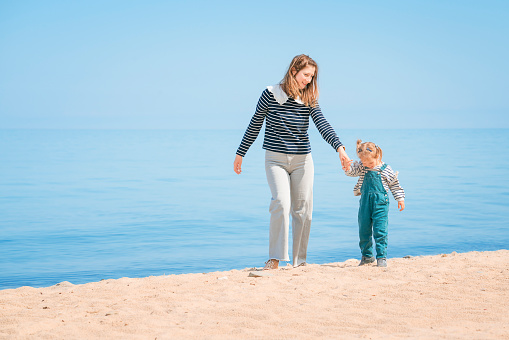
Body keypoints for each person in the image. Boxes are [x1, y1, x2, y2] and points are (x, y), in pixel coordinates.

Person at [234, 54, 350, 270]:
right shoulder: (270, 93)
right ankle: (274, 258)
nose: (308, 80)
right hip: (275, 159)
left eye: (312, 77)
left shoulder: (309, 97)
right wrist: (241, 153)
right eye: (306, 75)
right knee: (280, 202)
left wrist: (340, 148)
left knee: (302, 209)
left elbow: (322, 123)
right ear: (293, 70)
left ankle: (300, 261)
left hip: (302, 161)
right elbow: (255, 123)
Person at [344, 139, 405, 267]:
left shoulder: (385, 169)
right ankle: (367, 256)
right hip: (365, 203)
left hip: (381, 204)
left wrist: (400, 198)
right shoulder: (362, 166)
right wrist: (347, 167)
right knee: (363, 229)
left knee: (380, 230)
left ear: (377, 156)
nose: (367, 165)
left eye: (370, 163)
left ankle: (381, 257)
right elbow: (352, 172)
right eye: (364, 163)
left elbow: (394, 184)